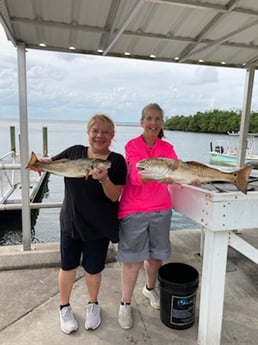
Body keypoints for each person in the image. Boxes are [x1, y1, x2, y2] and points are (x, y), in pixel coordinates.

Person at [35, 114, 127, 334]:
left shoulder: (116, 161)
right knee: (67, 267)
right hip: (71, 221)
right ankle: (64, 307)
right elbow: (53, 164)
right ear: (88, 133)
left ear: (112, 136)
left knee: (93, 269)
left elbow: (115, 196)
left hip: (99, 226)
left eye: (105, 132)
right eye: (95, 131)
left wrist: (104, 178)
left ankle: (93, 305)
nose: (99, 136)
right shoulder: (74, 151)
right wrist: (38, 164)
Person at [117, 103, 178, 329]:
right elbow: (135, 176)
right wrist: (158, 174)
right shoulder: (132, 145)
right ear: (142, 122)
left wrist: (188, 177)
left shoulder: (167, 147)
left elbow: (176, 170)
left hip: (161, 208)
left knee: (156, 256)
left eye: (158, 119)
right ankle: (125, 303)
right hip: (134, 209)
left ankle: (150, 289)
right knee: (132, 261)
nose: (153, 123)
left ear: (162, 123)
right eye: (149, 118)